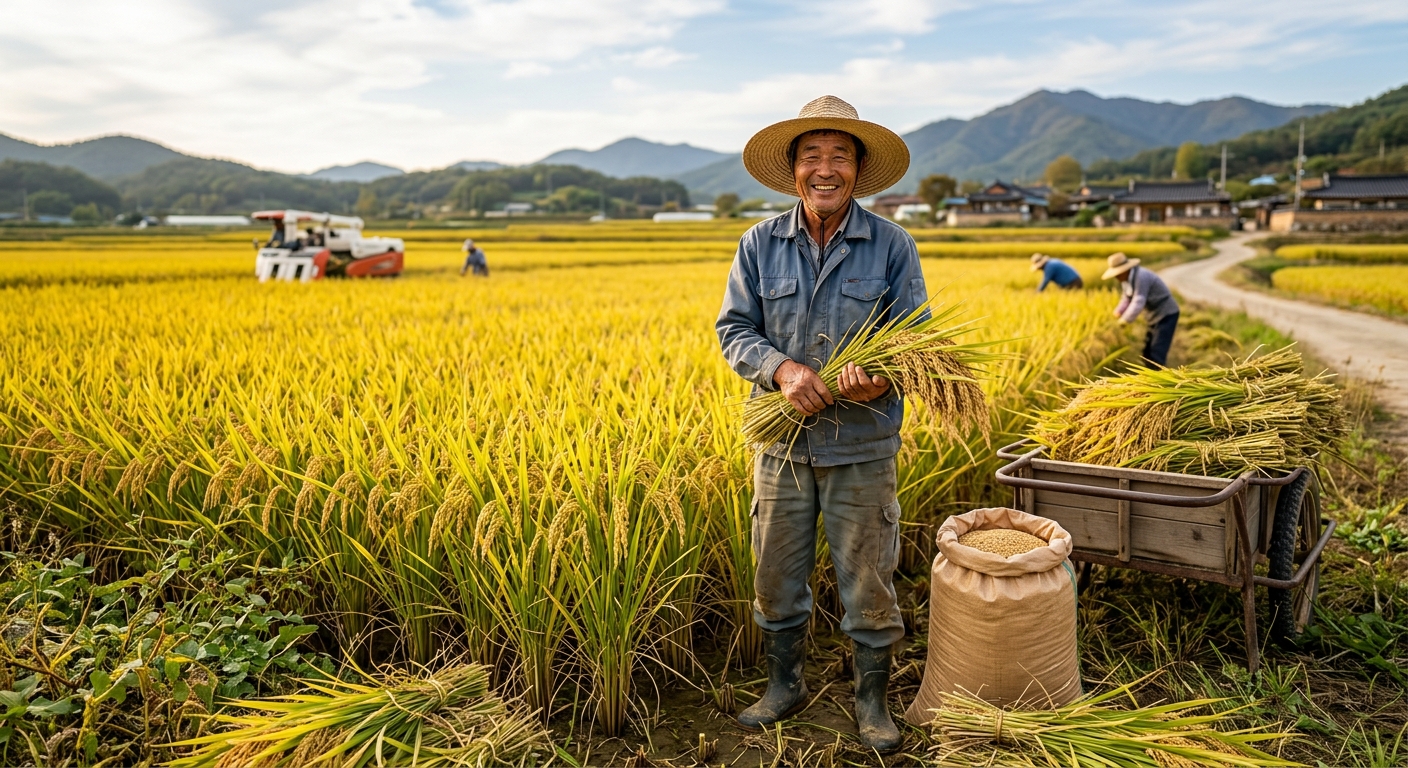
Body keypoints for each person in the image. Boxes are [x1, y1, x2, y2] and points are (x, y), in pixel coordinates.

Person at [716, 95, 922, 753]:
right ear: (794, 169)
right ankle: (784, 686)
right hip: (781, 447)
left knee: (869, 579)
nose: (826, 168)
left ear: (858, 170)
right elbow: (734, 330)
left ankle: (872, 701)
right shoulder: (759, 244)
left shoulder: (892, 245)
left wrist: (881, 377)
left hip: (862, 445)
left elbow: (915, 341)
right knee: (775, 574)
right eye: (812, 156)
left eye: (840, 156)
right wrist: (781, 370)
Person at [1103, 252, 1180, 367]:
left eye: (1117, 274)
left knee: (1156, 353)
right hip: (1154, 316)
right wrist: (1118, 311)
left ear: (1125, 270)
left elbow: (1138, 300)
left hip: (1166, 314)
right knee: (1147, 353)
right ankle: (1149, 375)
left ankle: (1158, 376)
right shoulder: (1126, 280)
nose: (1116, 277)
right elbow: (1126, 298)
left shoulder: (1141, 276)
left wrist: (1125, 320)